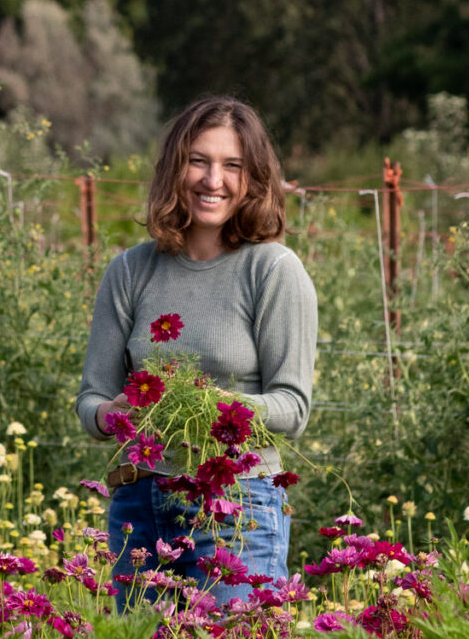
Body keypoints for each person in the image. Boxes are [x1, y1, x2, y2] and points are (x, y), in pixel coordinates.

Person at [76, 95, 317, 609]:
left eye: (233, 166)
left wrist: (212, 406)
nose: (214, 180)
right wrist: (111, 414)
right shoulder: (130, 271)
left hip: (238, 508)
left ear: (253, 179)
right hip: (140, 501)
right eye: (199, 161)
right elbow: (90, 399)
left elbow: (292, 409)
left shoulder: (273, 270)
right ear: (174, 169)